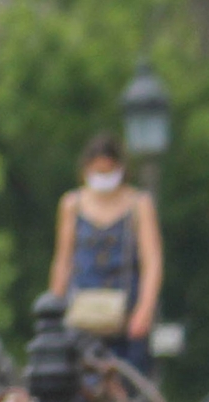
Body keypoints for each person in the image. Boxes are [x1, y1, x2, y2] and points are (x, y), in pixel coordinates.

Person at [50, 132, 163, 379]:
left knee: (129, 383)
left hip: (126, 311)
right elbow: (63, 261)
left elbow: (151, 260)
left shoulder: (138, 203)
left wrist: (145, 308)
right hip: (82, 310)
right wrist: (53, 309)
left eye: (107, 172)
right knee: (84, 384)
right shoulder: (72, 203)